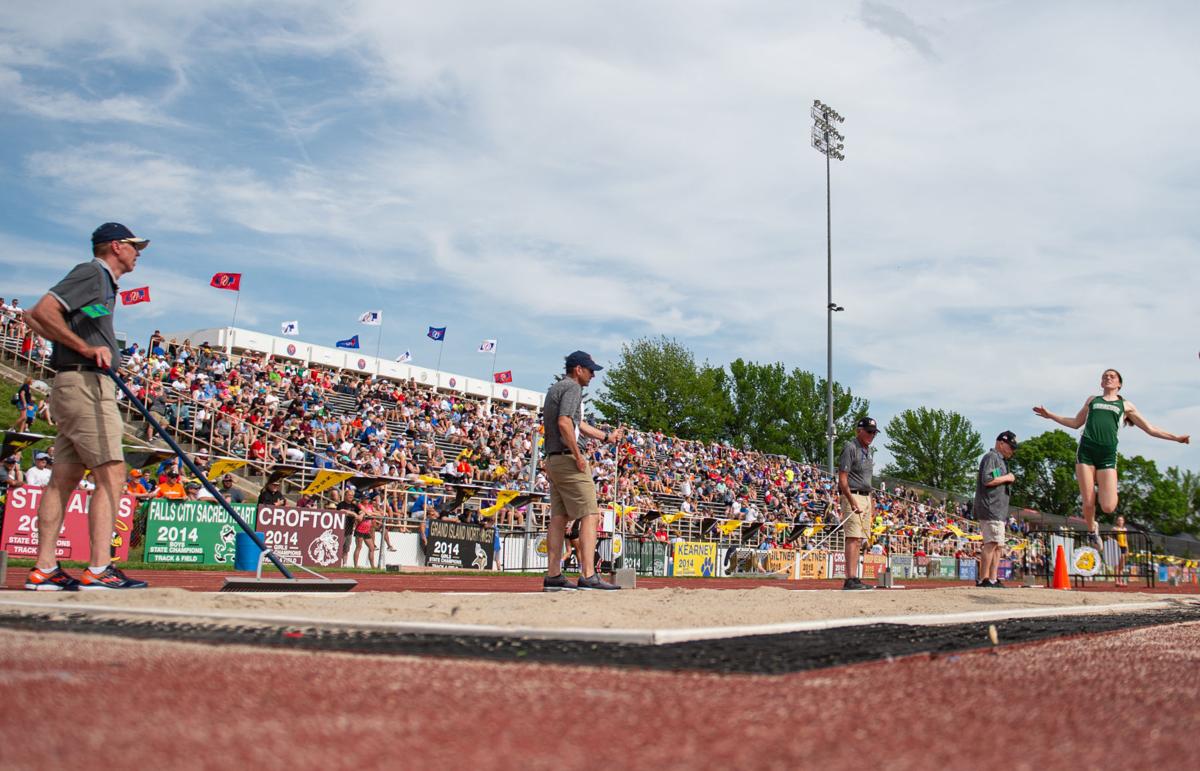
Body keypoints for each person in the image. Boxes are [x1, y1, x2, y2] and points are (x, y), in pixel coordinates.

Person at [22, 222, 150, 590]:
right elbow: (41, 310)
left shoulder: (103, 283)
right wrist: (84, 348)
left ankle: (45, 568)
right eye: (133, 245)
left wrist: (78, 343)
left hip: (76, 381)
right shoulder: (93, 273)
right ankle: (98, 568)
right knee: (112, 473)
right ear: (114, 246)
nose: (138, 252)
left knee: (64, 478)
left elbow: (35, 318)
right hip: (85, 383)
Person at [1033, 369, 1189, 543]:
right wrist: (1051, 415)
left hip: (1107, 456)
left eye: (1112, 376)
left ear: (1119, 384)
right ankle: (1092, 530)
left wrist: (1176, 438)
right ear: (1101, 383)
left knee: (1108, 507)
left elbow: (1150, 429)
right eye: (1105, 376)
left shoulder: (1126, 405)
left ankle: (1104, 488)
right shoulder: (1093, 400)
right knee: (1088, 501)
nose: (1108, 378)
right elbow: (1076, 423)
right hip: (1086, 452)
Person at [541, 350, 625, 591]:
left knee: (558, 518)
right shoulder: (573, 389)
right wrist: (578, 457)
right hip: (568, 459)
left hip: (553, 459)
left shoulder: (556, 388)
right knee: (590, 514)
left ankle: (554, 575)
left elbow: (578, 423)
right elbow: (565, 423)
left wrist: (606, 436)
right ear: (578, 369)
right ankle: (589, 574)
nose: (593, 376)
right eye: (590, 371)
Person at [837, 416, 879, 590]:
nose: (872, 435)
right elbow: (842, 478)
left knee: (860, 538)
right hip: (853, 494)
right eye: (869, 432)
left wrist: (871, 502)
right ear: (859, 430)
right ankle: (850, 578)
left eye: (874, 433)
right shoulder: (851, 447)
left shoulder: (868, 451)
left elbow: (867, 481)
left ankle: (855, 577)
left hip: (865, 496)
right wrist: (851, 499)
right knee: (853, 537)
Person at [972, 431, 1018, 588]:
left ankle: (992, 578)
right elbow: (987, 479)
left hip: (998, 510)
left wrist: (1005, 477)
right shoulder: (992, 457)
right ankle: (984, 578)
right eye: (1010, 447)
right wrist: (1008, 478)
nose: (1012, 450)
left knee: (999, 545)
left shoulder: (1001, 461)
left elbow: (993, 477)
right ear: (1001, 443)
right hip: (990, 507)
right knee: (991, 543)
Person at [1113, 515, 1129, 587]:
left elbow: (1126, 540)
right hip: (1116, 546)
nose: (1120, 521)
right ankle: (1117, 581)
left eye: (1121, 520)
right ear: (1117, 521)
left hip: (1123, 546)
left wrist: (1127, 550)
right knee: (1116, 565)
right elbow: (1111, 535)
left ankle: (1121, 580)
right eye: (1119, 520)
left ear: (1123, 521)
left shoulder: (1125, 529)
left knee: (1122, 565)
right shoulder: (1114, 529)